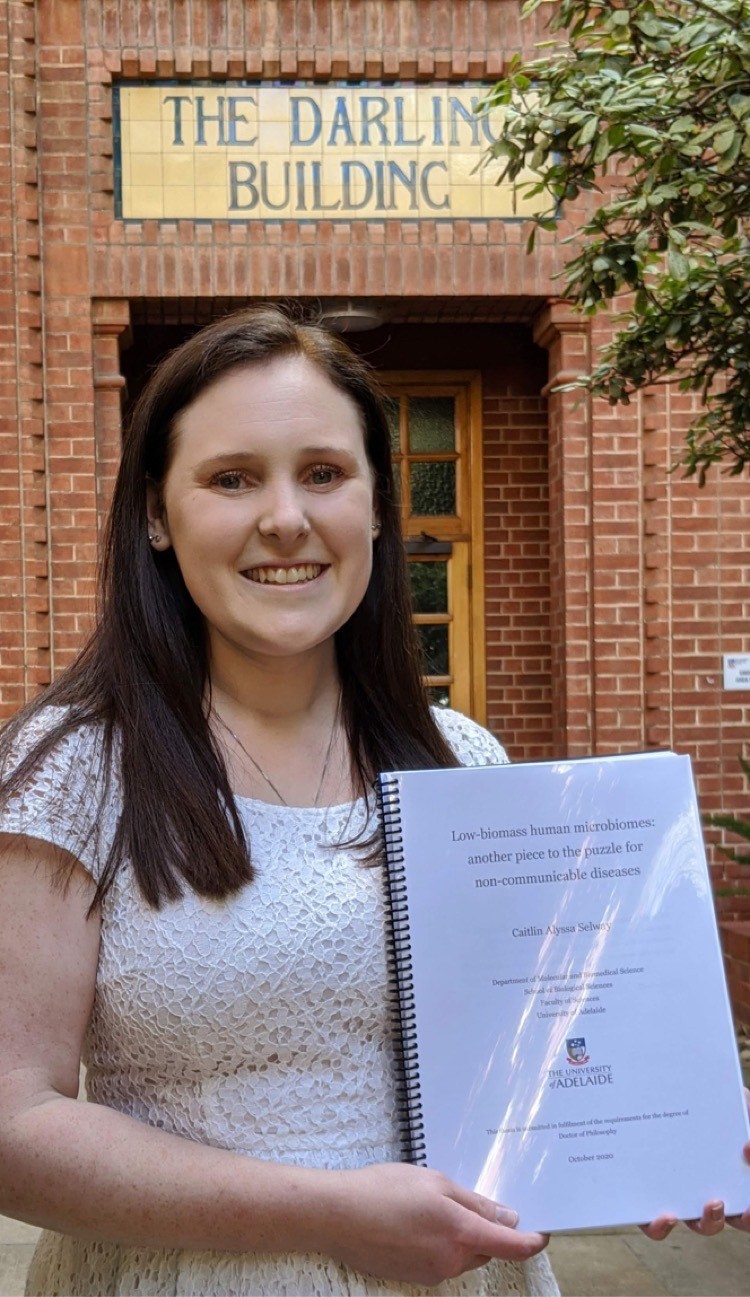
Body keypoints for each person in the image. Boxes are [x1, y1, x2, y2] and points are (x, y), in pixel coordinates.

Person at [0, 306, 745, 1297]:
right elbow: (13, 1122)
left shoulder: (461, 761)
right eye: (232, 478)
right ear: (155, 514)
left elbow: (548, 1058)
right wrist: (332, 1211)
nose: (285, 518)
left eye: (323, 472)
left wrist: (660, 1136)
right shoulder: (75, 769)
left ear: (381, 506)